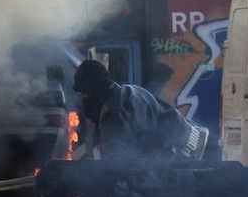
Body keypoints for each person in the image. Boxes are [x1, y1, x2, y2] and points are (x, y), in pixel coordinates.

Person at [73, 59, 208, 161]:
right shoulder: (129, 91)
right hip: (195, 143)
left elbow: (117, 168)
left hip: (184, 159)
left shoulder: (113, 114)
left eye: (84, 95)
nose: (83, 101)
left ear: (94, 90)